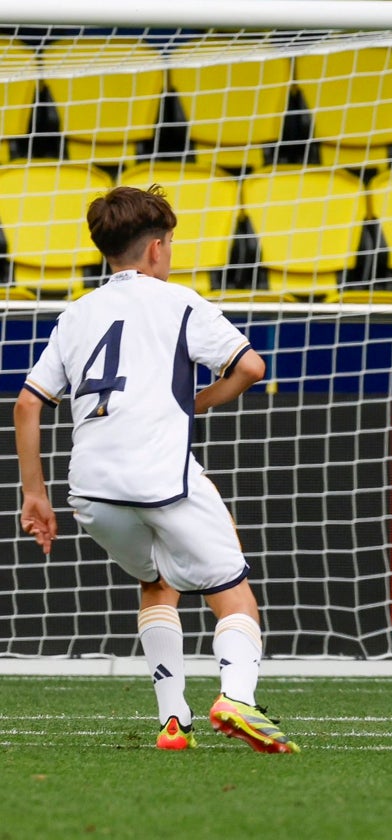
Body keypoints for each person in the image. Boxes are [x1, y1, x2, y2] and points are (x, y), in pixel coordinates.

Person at [14, 185, 298, 754]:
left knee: (157, 582)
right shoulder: (180, 302)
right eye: (168, 243)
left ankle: (174, 722)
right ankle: (237, 697)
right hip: (164, 477)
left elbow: (27, 404)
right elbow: (251, 366)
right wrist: (199, 402)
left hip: (90, 492)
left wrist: (35, 498)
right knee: (235, 595)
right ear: (155, 251)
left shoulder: (76, 314)